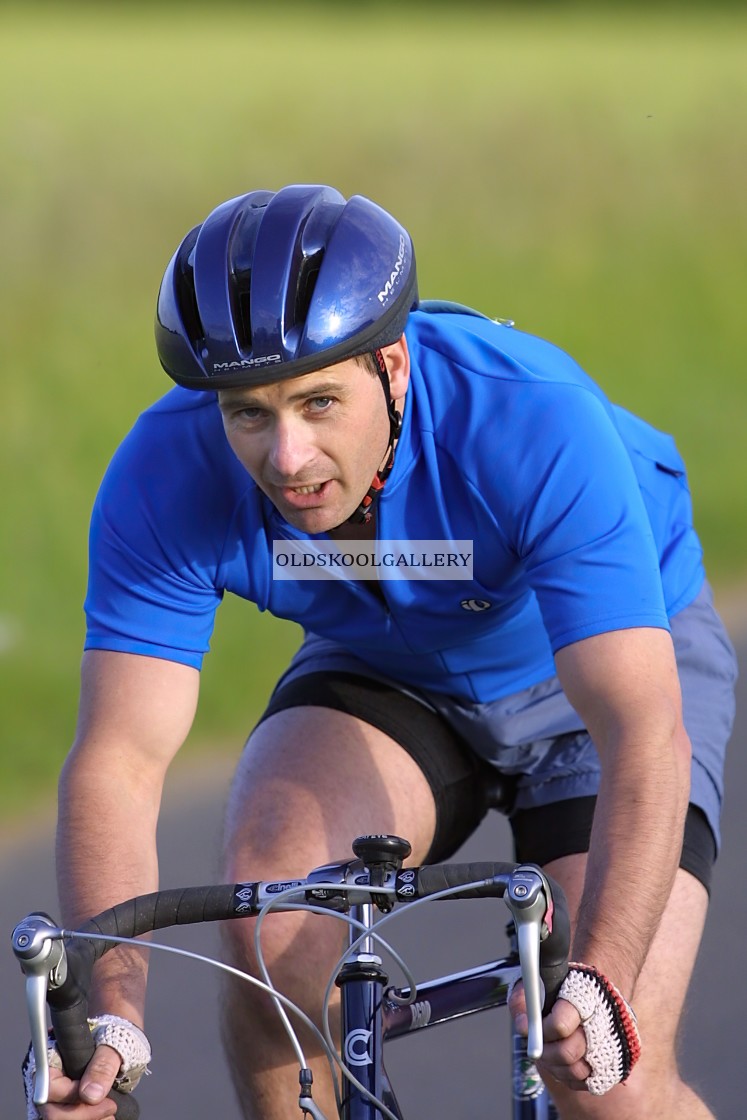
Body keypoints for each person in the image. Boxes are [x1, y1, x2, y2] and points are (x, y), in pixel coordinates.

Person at [32, 184, 736, 1120]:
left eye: (319, 402)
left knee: (606, 1076)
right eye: (248, 413)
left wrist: (603, 974)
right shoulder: (164, 473)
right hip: (389, 668)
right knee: (271, 938)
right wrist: (108, 1019)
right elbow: (119, 760)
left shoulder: (529, 420)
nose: (287, 458)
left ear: (392, 366)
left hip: (599, 670)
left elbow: (643, 733)